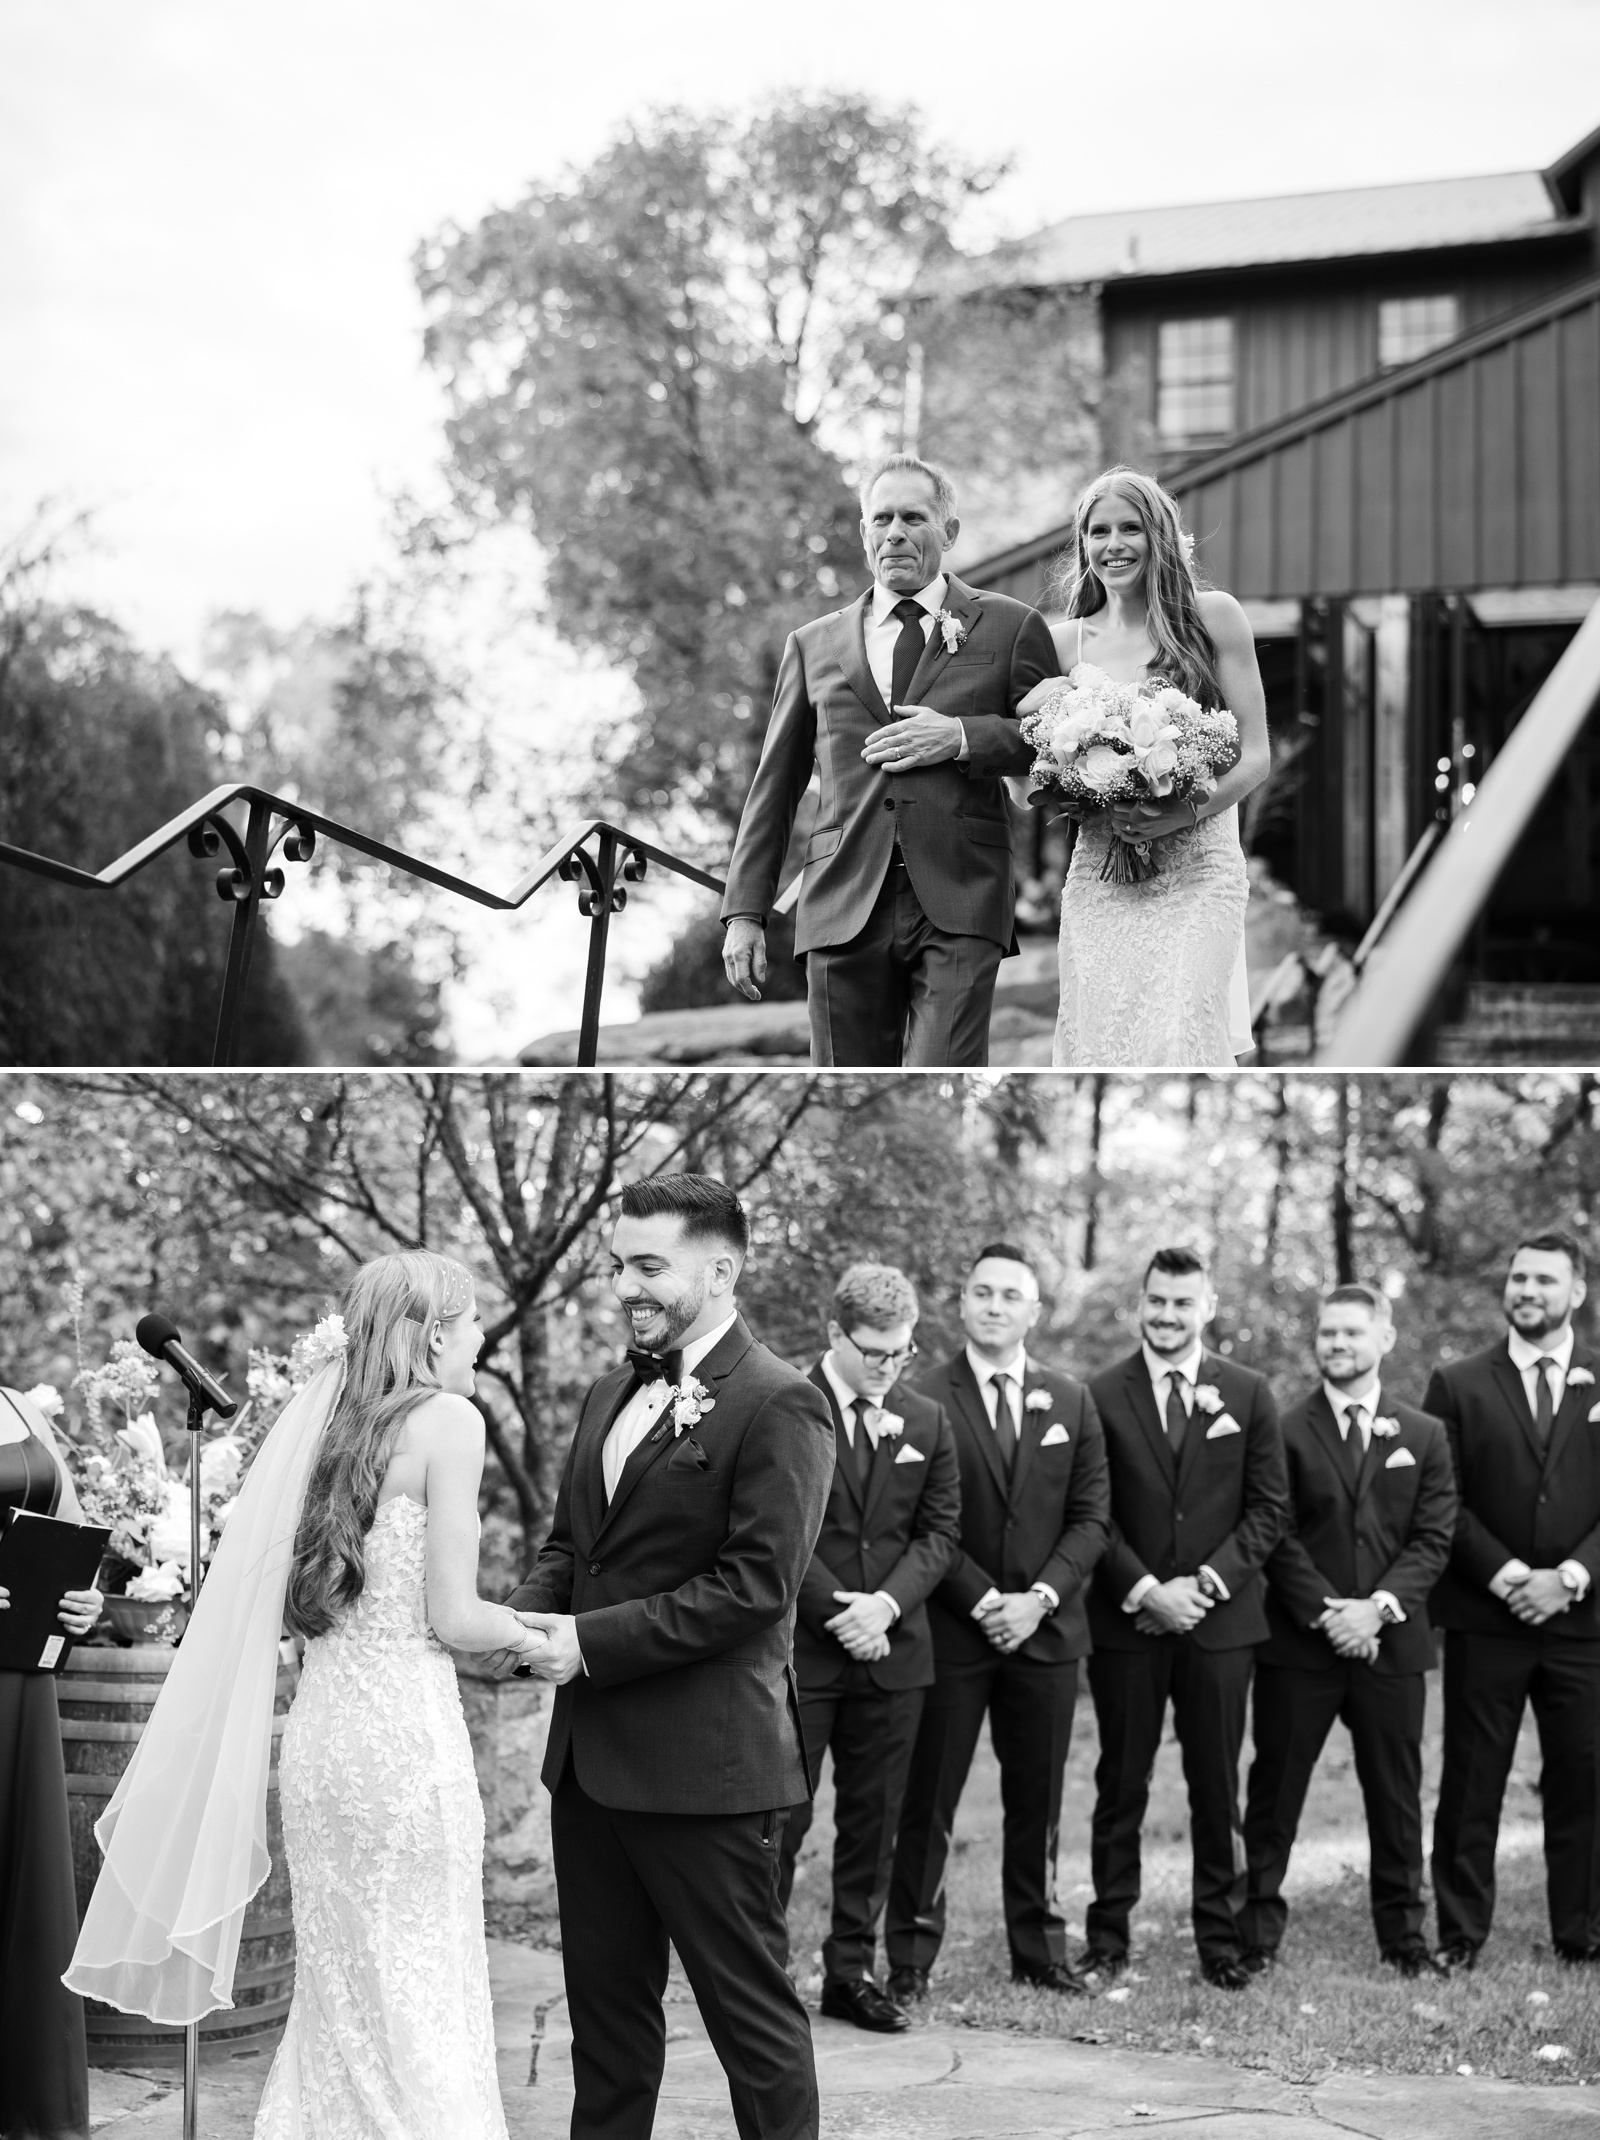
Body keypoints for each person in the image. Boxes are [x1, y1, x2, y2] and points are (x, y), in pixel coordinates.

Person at [67, 1252, 547, 2140]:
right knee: (423, 1982)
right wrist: (538, 1634)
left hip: (325, 1743)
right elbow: (455, 1615)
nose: (482, 1337)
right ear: (435, 1329)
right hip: (406, 1745)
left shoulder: (322, 1421)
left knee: (342, 1989)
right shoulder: (451, 1420)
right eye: (474, 1319)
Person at [504, 1175, 836, 2140]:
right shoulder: (614, 1388)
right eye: (619, 1266)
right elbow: (575, 1549)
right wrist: (519, 1630)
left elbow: (755, 1591)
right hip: (591, 1768)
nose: (625, 1286)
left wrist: (585, 1645)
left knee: (751, 2023)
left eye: (650, 1266)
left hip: (710, 1774)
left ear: (720, 1269)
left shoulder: (782, 1403)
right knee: (605, 2026)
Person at [720, 453, 1058, 1068]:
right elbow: (775, 785)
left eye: (913, 517)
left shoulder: (1012, 627)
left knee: (943, 1072)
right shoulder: (811, 644)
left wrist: (961, 736)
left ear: (948, 532)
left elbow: (1053, 747)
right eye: (881, 519)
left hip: (961, 894)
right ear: (864, 531)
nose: (895, 532)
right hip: (840, 899)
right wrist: (745, 912)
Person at [886, 1243, 1110, 1999]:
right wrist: (985, 1601)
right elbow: (917, 1522)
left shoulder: (1071, 1400)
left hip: (1046, 1635)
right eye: (981, 1291)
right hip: (951, 1632)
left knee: (1039, 1799)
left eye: (1010, 1295)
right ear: (961, 1302)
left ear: (1033, 1312)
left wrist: (1037, 1598)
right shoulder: (920, 1397)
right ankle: (911, 1957)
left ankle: (1040, 1950)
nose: (994, 1305)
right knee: (931, 1798)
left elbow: (1092, 1520)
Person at [1082, 1246, 1287, 1989]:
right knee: (1121, 1784)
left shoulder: (1250, 1391)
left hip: (1221, 1625)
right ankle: (1106, 1938)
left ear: (1209, 1306)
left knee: (1215, 1787)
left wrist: (1203, 1585)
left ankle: (1221, 1941)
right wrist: (1144, 1590)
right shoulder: (1099, 1394)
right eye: (1157, 1301)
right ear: (1142, 1303)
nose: (1168, 1315)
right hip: (1128, 1624)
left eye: (1182, 1303)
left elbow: (1270, 1510)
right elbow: (1092, 1513)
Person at [1240, 1285, 1456, 1977]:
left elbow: (1432, 1538)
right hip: (1301, 1645)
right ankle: (1255, 1936)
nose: (1337, 1344)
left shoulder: (1423, 1435)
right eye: (1327, 1333)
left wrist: (1379, 1610)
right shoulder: (1282, 1428)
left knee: (1395, 1797)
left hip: (1392, 1645)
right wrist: (1332, 1613)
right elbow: (1276, 1531)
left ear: (1383, 1340)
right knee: (1274, 1794)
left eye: (1352, 1333)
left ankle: (1405, 1941)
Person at [1026, 466, 1270, 1069]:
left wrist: (1180, 812)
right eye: (1098, 531)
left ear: (1158, 535)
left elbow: (1257, 756)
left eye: (1130, 528)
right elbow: (1024, 781)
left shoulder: (1214, 618)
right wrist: (1070, 783)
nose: (1114, 545)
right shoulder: (1062, 645)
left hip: (1200, 869)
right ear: (1083, 543)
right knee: (1102, 1042)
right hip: (1100, 880)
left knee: (1180, 1030)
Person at [778, 1263, 960, 2033]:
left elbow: (941, 1533)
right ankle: (762, 1973)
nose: (888, 1368)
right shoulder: (784, 1403)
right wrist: (836, 1611)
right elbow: (774, 1526)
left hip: (895, 1651)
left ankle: (850, 1971)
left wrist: (883, 1606)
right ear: (833, 1335)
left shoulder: (925, 1418)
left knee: (875, 1822)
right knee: (783, 1817)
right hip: (804, 1655)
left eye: (901, 1352)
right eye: (873, 1352)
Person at [1425, 1230, 1600, 1966]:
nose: (1528, 1292)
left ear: (1577, 1293)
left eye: (1545, 1281)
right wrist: (1507, 1577)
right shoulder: (1458, 1383)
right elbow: (1443, 1500)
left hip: (1584, 1620)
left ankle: (1582, 1932)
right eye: (1519, 1279)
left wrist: (1568, 1577)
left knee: (1585, 1777)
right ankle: (1461, 1936)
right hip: (1485, 1617)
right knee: (1471, 1778)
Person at [0, 1386, 103, 2140]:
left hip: (19, 1680)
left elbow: (64, 1527)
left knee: (27, 1885)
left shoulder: (17, 1403)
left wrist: (84, 1599)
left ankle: (32, 2108)